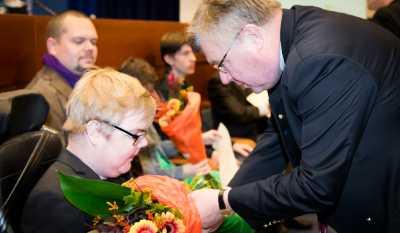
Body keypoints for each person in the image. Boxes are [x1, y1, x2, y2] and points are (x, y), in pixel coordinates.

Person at [188, 1, 400, 233]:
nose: (225, 79)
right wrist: (228, 198)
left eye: (222, 64)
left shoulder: (319, 59)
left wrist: (223, 201)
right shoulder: (289, 41)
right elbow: (279, 136)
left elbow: (317, 185)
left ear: (252, 36)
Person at [21, 68, 156, 233]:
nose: (144, 143)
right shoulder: (57, 203)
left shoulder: (116, 172)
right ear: (95, 132)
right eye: (136, 134)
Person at [26, 10, 98, 131]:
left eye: (94, 42)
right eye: (79, 41)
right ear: (52, 46)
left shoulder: (99, 79)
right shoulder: (40, 98)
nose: (90, 48)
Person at [208, 73, 269, 140]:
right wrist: (264, 109)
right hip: (235, 134)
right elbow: (239, 113)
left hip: (257, 126)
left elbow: (255, 97)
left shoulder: (244, 73)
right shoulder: (218, 80)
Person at [157, 31, 196, 100]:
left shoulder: (185, 83)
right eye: (185, 53)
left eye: (192, 52)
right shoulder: (163, 90)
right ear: (169, 59)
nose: (194, 58)